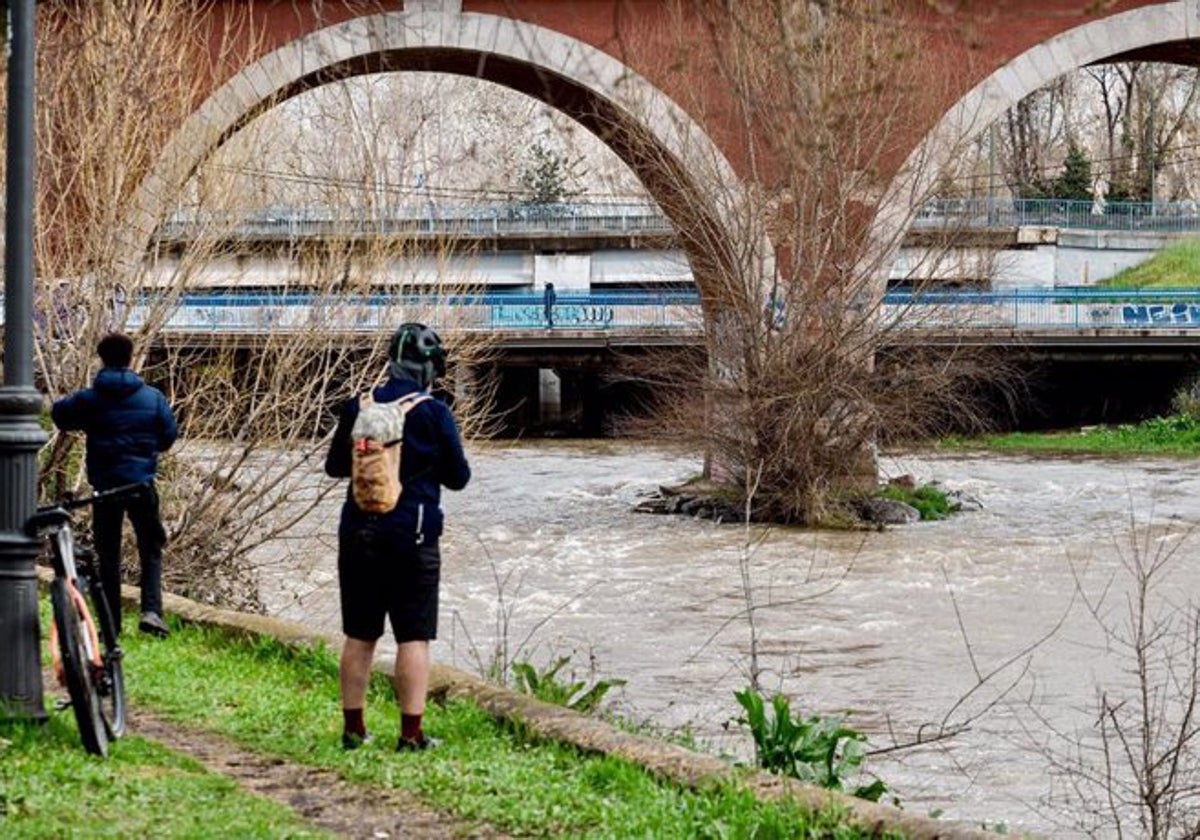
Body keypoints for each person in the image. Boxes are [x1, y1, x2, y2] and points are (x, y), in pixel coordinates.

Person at [324, 323, 471, 751]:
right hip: (414, 533)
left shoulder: (359, 405)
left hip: (358, 531)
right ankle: (411, 735)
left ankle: (353, 730)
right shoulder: (433, 411)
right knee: (413, 636)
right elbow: (459, 478)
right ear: (428, 368)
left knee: (360, 634)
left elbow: (335, 467)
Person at [51, 332, 178, 638]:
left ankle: (112, 623)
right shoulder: (153, 397)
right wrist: (144, 447)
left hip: (106, 488)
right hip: (141, 485)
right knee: (150, 547)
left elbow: (59, 416)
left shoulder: (89, 400)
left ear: (102, 358)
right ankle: (151, 611)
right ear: (130, 358)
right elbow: (168, 437)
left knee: (107, 554)